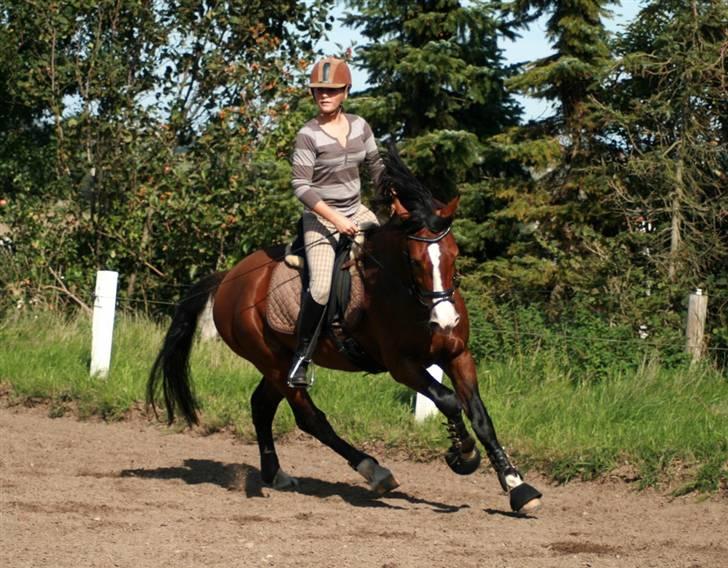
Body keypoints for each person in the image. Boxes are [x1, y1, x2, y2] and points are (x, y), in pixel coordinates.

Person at [288, 56, 384, 388]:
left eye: (331, 90)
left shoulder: (361, 126)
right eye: (318, 91)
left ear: (346, 91)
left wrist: (394, 196)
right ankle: (301, 358)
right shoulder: (308, 135)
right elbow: (301, 186)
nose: (324, 96)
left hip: (358, 210)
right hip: (321, 217)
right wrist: (336, 220)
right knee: (321, 287)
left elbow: (376, 165)